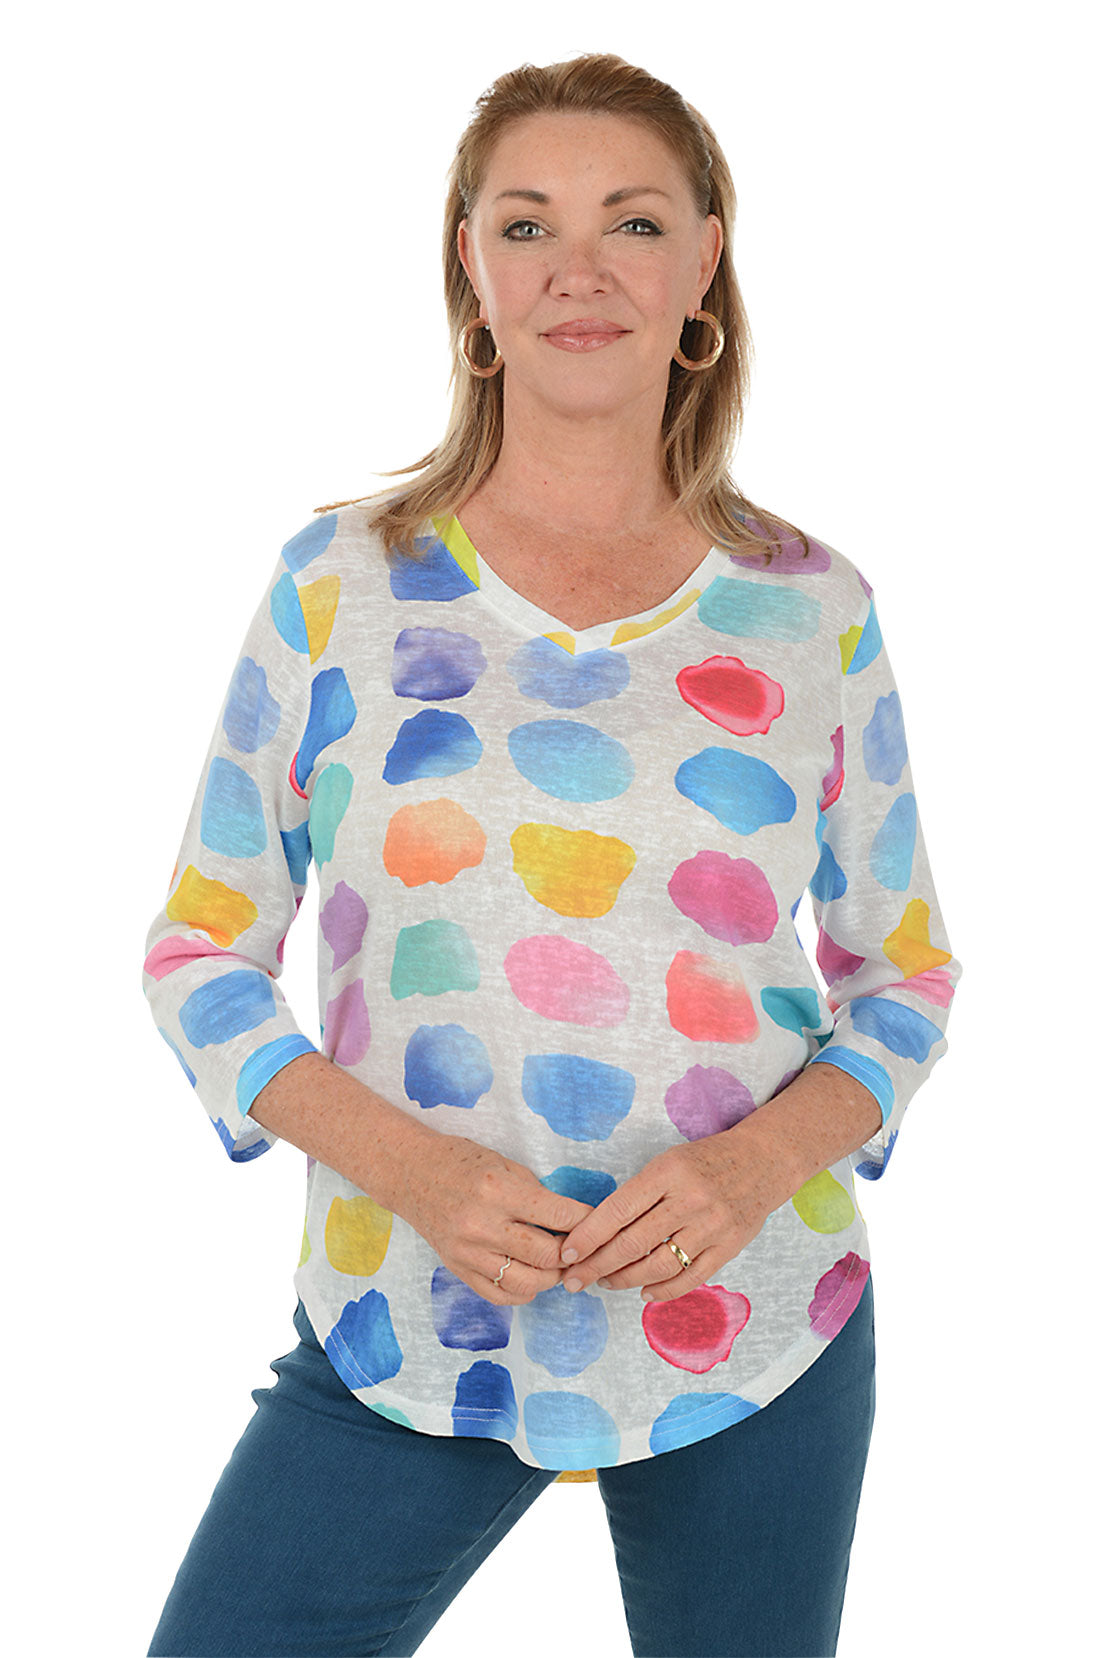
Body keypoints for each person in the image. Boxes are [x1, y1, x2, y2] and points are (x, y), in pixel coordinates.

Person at [141, 51, 960, 1658]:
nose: (578, 267)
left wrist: (746, 1167)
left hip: (757, 1333)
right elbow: (197, 952)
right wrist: (421, 1172)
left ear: (702, 265)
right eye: (526, 225)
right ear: (470, 269)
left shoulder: (812, 608)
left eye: (632, 222)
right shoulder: (341, 587)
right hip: (406, 1323)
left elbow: (903, 974)